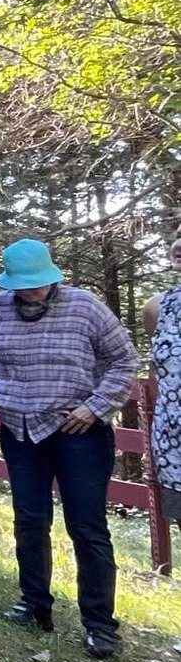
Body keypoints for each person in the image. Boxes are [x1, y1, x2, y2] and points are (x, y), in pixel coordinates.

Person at [0, 237, 138, 659]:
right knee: (29, 519)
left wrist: (96, 407)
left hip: (78, 431)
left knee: (87, 526)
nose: (30, 291)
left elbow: (124, 361)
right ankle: (34, 604)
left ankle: (100, 625)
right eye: (22, 284)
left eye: (36, 283)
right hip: (20, 428)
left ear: (51, 276)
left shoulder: (86, 307)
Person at [140, 231, 181, 556]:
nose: (178, 244)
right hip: (174, 447)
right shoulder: (157, 308)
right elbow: (157, 373)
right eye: (177, 236)